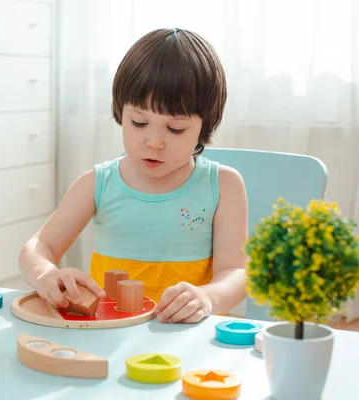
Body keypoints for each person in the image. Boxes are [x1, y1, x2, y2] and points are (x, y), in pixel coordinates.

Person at [18, 28, 248, 324]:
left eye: (175, 129)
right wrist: (46, 274)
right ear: (120, 113)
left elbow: (236, 273)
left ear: (205, 126)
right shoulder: (99, 183)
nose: (154, 142)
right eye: (139, 122)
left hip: (188, 334)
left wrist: (209, 297)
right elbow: (37, 249)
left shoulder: (224, 185)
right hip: (110, 332)